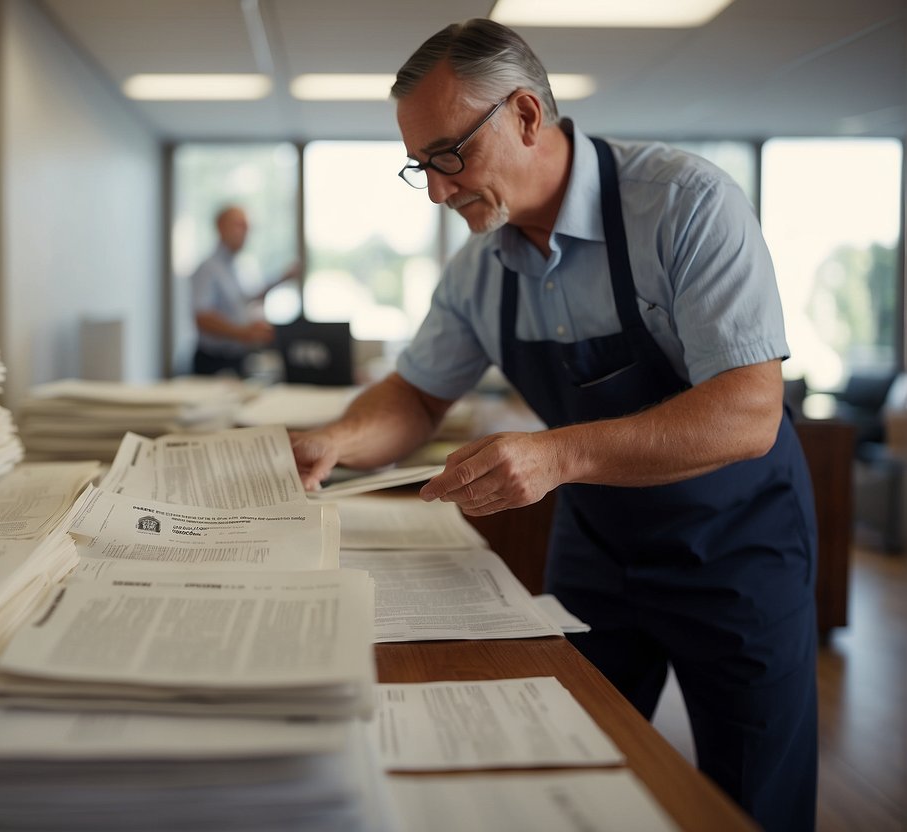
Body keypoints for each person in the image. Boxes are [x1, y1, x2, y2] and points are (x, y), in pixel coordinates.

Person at [290, 19, 817, 832]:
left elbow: (748, 411)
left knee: (752, 795)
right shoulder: (477, 270)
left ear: (526, 116)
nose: (434, 190)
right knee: (570, 757)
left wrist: (558, 452)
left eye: (447, 155)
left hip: (737, 546)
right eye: (418, 165)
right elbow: (417, 397)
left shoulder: (684, 204)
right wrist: (338, 441)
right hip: (599, 546)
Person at [189, 205, 298, 377]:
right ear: (220, 227)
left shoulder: (241, 267)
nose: (245, 232)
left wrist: (281, 280)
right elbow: (202, 317)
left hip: (238, 359)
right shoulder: (208, 268)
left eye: (247, 227)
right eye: (239, 225)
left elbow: (246, 299)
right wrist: (242, 333)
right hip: (213, 361)